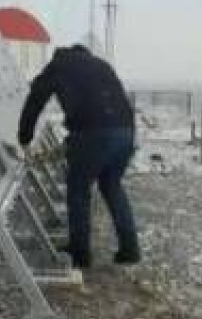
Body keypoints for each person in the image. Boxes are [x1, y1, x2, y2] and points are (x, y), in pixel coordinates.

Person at [18, 44, 140, 268]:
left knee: (78, 189)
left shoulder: (59, 65)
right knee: (112, 185)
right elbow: (114, 101)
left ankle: (80, 253)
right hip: (125, 132)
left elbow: (36, 97)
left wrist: (24, 136)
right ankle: (130, 248)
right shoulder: (101, 65)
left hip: (93, 133)